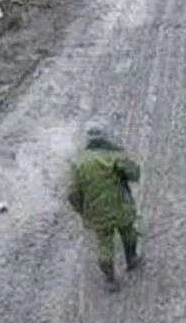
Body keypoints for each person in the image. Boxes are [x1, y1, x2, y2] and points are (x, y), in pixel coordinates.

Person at [67, 121, 142, 292]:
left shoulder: (79, 163)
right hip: (120, 206)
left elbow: (72, 192)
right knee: (129, 231)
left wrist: (82, 210)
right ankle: (132, 259)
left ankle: (110, 279)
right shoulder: (114, 155)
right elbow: (134, 173)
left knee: (104, 243)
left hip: (97, 213)